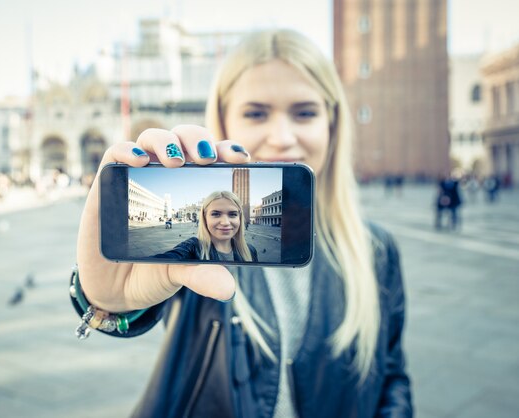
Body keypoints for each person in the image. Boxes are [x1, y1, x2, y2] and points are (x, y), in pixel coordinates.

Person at [73, 29, 412, 417]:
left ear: (333, 124)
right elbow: (133, 303)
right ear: (222, 120)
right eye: (256, 113)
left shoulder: (376, 251)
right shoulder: (200, 250)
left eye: (304, 112)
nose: (282, 137)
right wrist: (108, 303)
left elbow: (391, 377)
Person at [156, 190, 258, 262]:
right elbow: (168, 259)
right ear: (204, 218)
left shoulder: (250, 251)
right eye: (216, 214)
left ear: (239, 218)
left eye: (233, 214)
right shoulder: (192, 248)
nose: (225, 222)